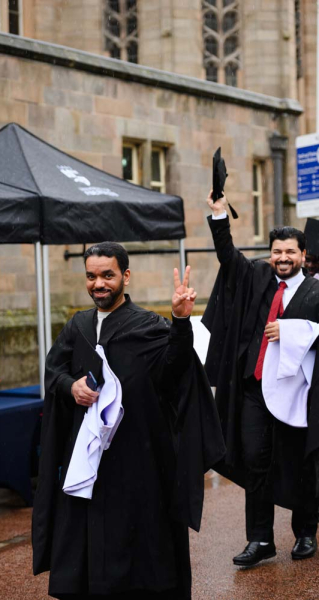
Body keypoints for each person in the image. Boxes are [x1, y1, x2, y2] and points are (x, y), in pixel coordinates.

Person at [32, 241, 225, 599]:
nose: (98, 284)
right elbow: (53, 371)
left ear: (126, 276)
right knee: (86, 543)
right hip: (88, 459)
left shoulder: (148, 325)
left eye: (107, 275)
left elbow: (175, 371)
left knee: (138, 548)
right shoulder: (78, 326)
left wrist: (181, 321)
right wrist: (70, 386)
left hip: (136, 457)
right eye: (91, 276)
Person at [203, 191, 319, 568]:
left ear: (303, 255)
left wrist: (293, 331)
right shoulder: (257, 277)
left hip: (297, 393)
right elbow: (228, 257)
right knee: (254, 460)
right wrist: (219, 215)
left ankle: (305, 531)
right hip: (254, 389)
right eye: (277, 251)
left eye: (290, 252)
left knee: (299, 462)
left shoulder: (315, 291)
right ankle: (260, 539)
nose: (283, 258)